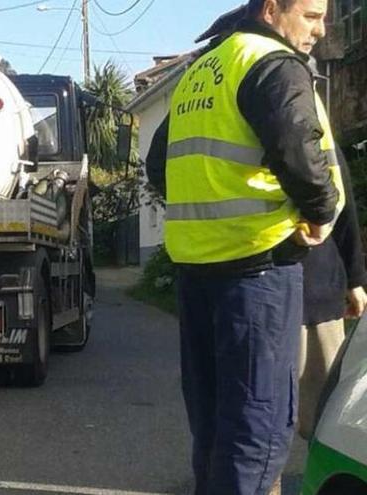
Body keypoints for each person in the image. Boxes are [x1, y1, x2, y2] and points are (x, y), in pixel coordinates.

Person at [145, 1, 345, 493]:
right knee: (258, 431)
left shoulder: (202, 71)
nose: (320, 29)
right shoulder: (272, 64)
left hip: (197, 271)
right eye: (312, 14)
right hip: (257, 271)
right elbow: (298, 149)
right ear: (273, 9)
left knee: (214, 428)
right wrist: (319, 213)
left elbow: (158, 165)